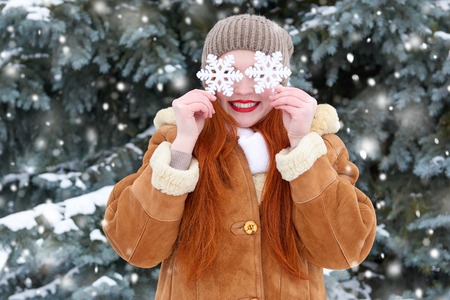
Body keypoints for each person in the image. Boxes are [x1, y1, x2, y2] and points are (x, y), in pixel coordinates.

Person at [102, 14, 377, 300]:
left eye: (259, 73)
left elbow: (344, 251)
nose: (243, 89)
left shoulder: (319, 145)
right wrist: (183, 148)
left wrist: (300, 149)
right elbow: (137, 248)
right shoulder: (175, 142)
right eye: (228, 73)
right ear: (209, 77)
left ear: (281, 77)